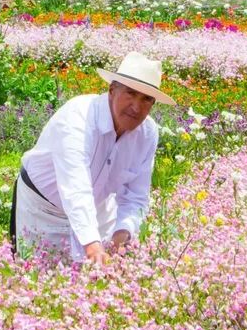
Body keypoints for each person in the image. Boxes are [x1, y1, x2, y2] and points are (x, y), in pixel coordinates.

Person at [10, 51, 175, 264]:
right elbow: (75, 187)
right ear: (112, 90)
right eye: (130, 94)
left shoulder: (147, 133)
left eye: (146, 99)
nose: (136, 107)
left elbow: (136, 195)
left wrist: (122, 233)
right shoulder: (77, 118)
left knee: (94, 284)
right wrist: (92, 245)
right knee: (36, 279)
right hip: (43, 210)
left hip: (98, 210)